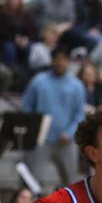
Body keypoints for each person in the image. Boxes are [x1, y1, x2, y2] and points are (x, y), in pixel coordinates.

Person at [22, 47, 86, 191]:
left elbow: (79, 114)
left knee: (71, 183)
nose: (60, 62)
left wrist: (69, 132)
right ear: (52, 60)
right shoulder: (38, 81)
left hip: (66, 141)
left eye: (64, 59)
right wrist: (34, 128)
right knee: (31, 182)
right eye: (57, 58)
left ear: (69, 61)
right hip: (40, 140)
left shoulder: (77, 85)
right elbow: (26, 107)